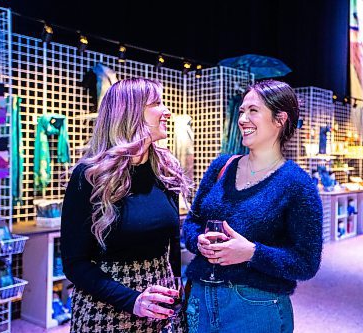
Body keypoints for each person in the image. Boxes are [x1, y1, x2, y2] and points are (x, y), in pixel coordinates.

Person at [183, 79, 323, 332]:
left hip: (255, 307)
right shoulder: (222, 167)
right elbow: (192, 222)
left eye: (253, 111)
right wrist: (199, 241)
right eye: (242, 111)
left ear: (280, 119)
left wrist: (251, 253)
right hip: (200, 299)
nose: (243, 119)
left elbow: (306, 263)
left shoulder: (298, 186)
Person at [61, 78, 191, 333]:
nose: (167, 110)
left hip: (162, 304)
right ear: (130, 113)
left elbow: (172, 240)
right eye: (157, 103)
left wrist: (177, 287)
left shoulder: (166, 169)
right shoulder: (90, 176)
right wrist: (133, 301)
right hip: (107, 304)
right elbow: (74, 263)